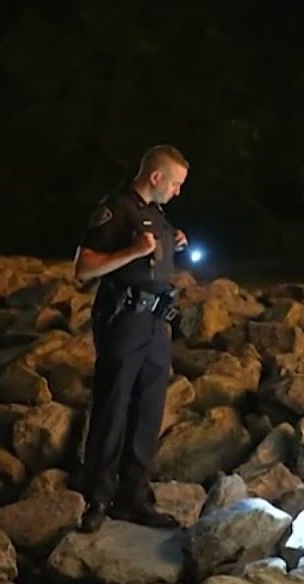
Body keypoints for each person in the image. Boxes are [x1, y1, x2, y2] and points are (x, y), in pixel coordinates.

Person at [72, 145, 191, 530]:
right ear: (155, 177)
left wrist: (172, 243)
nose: (177, 191)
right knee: (112, 407)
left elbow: (152, 258)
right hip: (123, 320)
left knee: (147, 412)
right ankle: (97, 498)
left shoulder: (155, 215)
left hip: (157, 323)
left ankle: (134, 498)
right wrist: (133, 250)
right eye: (174, 183)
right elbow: (83, 269)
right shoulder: (116, 209)